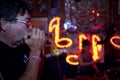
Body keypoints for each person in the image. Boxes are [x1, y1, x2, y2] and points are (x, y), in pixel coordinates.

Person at [0, 0, 45, 80]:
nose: (30, 28)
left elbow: (37, 70)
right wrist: (35, 51)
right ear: (4, 24)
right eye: (26, 22)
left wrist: (37, 50)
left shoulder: (24, 45)